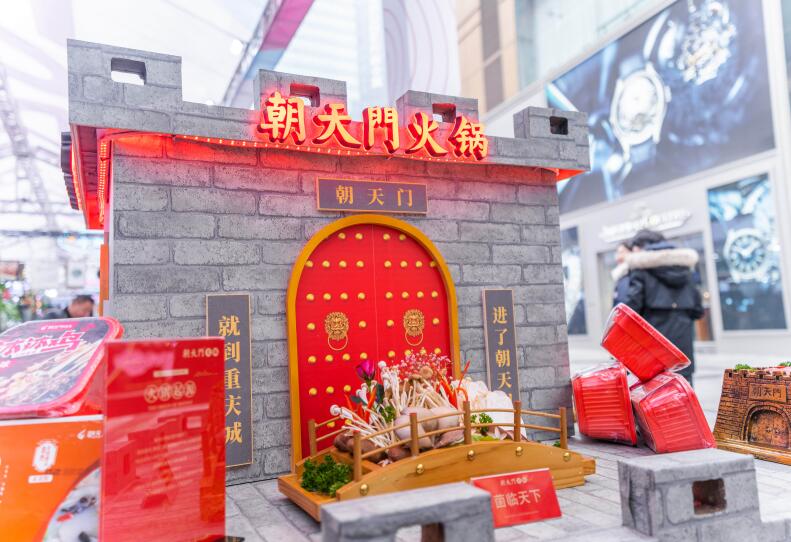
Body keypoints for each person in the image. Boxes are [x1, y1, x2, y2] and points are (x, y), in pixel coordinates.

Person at [623, 230, 703, 385]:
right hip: (683, 349)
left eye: (635, 248)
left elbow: (631, 310)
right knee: (684, 389)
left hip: (653, 349)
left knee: (655, 392)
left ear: (643, 247)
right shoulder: (685, 268)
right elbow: (698, 310)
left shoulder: (640, 269)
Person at [611, 241, 632, 307]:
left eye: (622, 252)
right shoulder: (620, 276)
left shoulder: (633, 274)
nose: (619, 256)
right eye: (617, 252)